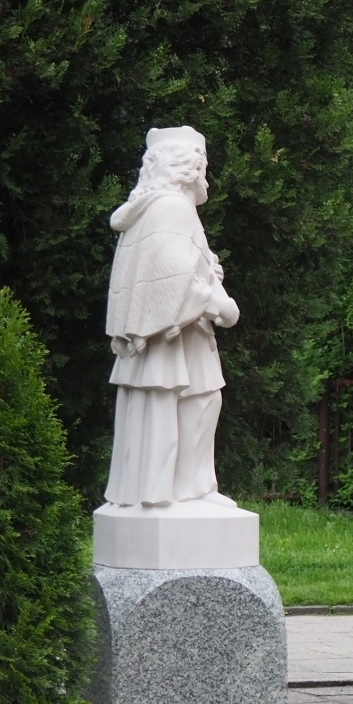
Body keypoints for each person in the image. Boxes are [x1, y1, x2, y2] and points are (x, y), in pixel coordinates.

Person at [104, 126, 240, 507]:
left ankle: (189, 488)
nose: (206, 176)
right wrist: (221, 306)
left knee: (199, 401)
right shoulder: (172, 209)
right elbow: (175, 280)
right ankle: (176, 491)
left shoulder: (153, 210)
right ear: (190, 168)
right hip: (171, 334)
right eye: (204, 166)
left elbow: (180, 271)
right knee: (186, 404)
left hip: (178, 334)